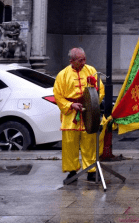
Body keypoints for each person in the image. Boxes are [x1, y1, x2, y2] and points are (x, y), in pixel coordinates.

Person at [53, 47, 104, 183]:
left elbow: (101, 90)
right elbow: (58, 96)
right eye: (81, 60)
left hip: (88, 113)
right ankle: (71, 171)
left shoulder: (91, 71)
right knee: (70, 144)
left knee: (89, 143)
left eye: (84, 59)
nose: (84, 62)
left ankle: (91, 171)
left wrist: (92, 102)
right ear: (72, 61)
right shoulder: (62, 75)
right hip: (71, 115)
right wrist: (71, 105)